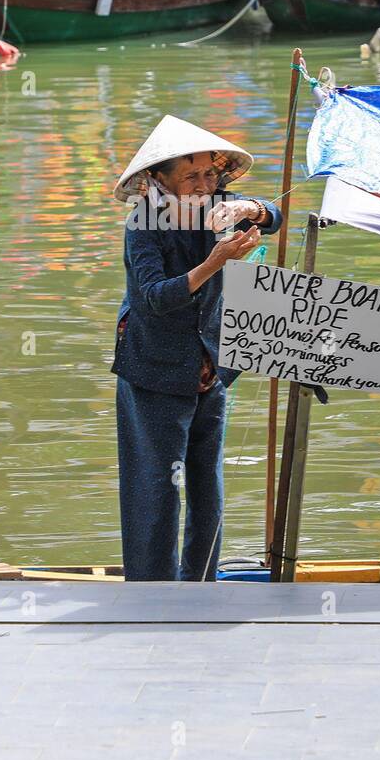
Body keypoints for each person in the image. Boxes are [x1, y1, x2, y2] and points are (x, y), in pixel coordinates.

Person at [111, 116, 282, 582]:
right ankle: (152, 589)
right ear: (159, 180)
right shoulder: (144, 225)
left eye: (210, 174)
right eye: (190, 176)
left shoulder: (220, 205)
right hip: (156, 369)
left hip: (212, 366)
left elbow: (275, 215)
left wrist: (251, 209)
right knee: (156, 486)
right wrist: (214, 263)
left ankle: (202, 580)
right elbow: (154, 297)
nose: (204, 186)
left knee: (208, 484)